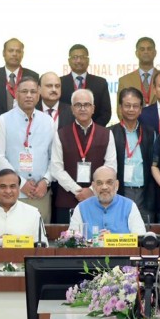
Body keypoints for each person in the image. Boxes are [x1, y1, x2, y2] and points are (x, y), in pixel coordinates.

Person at [0, 77, 55, 221]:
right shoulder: (3, 120)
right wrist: (20, 183)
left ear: (38, 95)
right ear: (16, 94)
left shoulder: (48, 121)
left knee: (39, 238)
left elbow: (54, 158)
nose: (29, 95)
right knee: (13, 238)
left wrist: (46, 181)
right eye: (24, 91)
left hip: (41, 193)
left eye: (33, 91)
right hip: (12, 193)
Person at [50, 88, 118, 223]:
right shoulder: (61, 134)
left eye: (86, 105)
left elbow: (111, 167)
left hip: (98, 198)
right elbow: (56, 168)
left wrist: (92, 190)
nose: (82, 108)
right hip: (67, 199)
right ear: (72, 109)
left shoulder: (106, 134)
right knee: (67, 240)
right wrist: (77, 190)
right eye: (78, 105)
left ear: (93, 108)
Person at [110, 88, 157, 223]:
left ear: (141, 109)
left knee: (144, 233)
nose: (131, 109)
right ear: (120, 108)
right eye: (127, 105)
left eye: (135, 106)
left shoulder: (149, 132)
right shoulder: (111, 133)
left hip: (144, 192)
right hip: (121, 191)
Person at [0, 169, 48, 247]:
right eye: (3, 187)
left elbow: (43, 245)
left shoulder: (33, 213)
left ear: (19, 188)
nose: (8, 191)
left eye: (12, 186)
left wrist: (13, 241)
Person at [68, 166, 146, 237]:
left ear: (117, 185)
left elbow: (140, 237)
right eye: (99, 183)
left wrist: (112, 240)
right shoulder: (81, 208)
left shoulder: (130, 206)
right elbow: (71, 240)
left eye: (109, 182)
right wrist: (95, 242)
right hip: (91, 252)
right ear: (94, 186)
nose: (104, 187)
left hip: (121, 252)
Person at [0, 38, 40, 116]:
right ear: (3, 53)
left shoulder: (33, 76)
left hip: (27, 123)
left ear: (22, 54)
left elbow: (37, 103)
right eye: (11, 51)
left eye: (18, 51)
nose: (14, 54)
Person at [61, 44, 111, 126]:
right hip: (66, 132)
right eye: (75, 57)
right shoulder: (60, 83)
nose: (78, 61)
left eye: (82, 57)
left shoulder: (100, 83)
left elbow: (106, 112)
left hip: (94, 133)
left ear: (88, 60)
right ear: (69, 61)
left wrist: (91, 129)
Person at [117, 37, 158, 105]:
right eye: (142, 49)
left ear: (155, 52)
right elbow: (120, 110)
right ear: (136, 53)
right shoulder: (124, 80)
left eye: (149, 49)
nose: (146, 52)